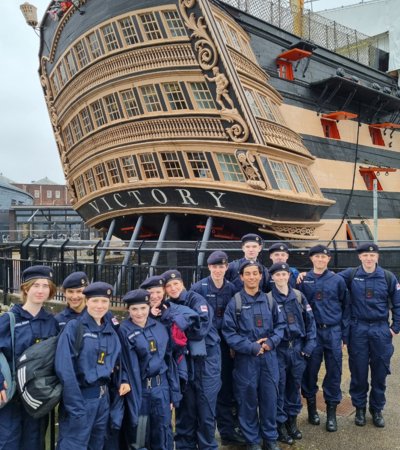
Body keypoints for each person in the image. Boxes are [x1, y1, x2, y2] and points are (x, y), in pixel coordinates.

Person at [55, 281, 127, 450]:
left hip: (103, 400)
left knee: (97, 445)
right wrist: (75, 406)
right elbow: (64, 368)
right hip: (81, 398)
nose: (99, 306)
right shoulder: (75, 327)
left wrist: (122, 379)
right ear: (86, 302)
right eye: (95, 301)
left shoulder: (110, 331)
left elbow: (118, 362)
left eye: (104, 301)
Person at [222, 261, 286, 450]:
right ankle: (252, 440)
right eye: (247, 274)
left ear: (260, 276)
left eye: (255, 273)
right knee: (247, 400)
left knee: (269, 399)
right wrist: (251, 347)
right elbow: (229, 332)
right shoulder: (235, 302)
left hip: (269, 358)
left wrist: (269, 343)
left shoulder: (270, 300)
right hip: (246, 360)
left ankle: (270, 438)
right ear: (241, 277)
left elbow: (281, 326)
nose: (251, 277)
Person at [338, 242, 400, 428]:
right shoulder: (352, 274)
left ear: (377, 257)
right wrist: (300, 275)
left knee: (380, 371)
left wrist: (395, 327)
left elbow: (398, 304)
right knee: (358, 371)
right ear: (360, 257)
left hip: (381, 330)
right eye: (365, 255)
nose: (369, 258)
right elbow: (328, 279)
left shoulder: (388, 277)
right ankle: (359, 409)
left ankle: (377, 409)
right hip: (358, 329)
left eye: (372, 255)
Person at [0, 265, 58, 450]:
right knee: (8, 443)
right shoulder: (9, 319)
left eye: (45, 286)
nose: (40, 290)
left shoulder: (52, 322)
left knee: (34, 444)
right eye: (36, 285)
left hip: (37, 399)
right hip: (12, 399)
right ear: (26, 288)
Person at [161, 269, 221, 450]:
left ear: (182, 284)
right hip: (184, 361)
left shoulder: (196, 300)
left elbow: (200, 328)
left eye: (176, 284)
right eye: (168, 286)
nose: (173, 288)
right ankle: (184, 446)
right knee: (185, 408)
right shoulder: (166, 305)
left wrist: (177, 318)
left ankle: (206, 446)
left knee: (205, 408)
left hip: (206, 361)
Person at [191, 250, 245, 446]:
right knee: (208, 390)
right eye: (215, 267)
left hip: (226, 345)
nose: (218, 270)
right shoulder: (199, 288)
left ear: (226, 267)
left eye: (222, 267)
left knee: (226, 389)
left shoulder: (231, 289)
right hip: (207, 347)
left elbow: (235, 317)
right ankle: (204, 433)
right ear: (209, 267)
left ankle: (227, 432)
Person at [118, 288, 181, 450]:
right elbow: (124, 366)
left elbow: (170, 362)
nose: (139, 313)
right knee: (139, 436)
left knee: (162, 433)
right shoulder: (123, 331)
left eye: (143, 308)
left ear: (149, 307)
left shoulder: (159, 327)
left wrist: (173, 393)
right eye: (134, 309)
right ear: (128, 310)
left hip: (161, 389)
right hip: (140, 393)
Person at [298, 245, 349, 432]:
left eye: (324, 257)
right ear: (312, 259)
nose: (320, 260)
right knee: (310, 371)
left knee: (334, 371)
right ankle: (312, 409)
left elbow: (346, 307)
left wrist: (345, 335)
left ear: (328, 260)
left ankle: (332, 413)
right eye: (317, 257)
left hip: (333, 331)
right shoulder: (303, 280)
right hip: (312, 332)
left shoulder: (337, 280)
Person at [268, 263, 316, 445]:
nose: (281, 278)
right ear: (272, 277)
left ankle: (292, 423)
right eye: (277, 275)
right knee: (278, 388)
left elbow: (310, 323)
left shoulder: (298, 296)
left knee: (294, 387)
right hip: (278, 350)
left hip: (297, 349)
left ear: (289, 276)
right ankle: (280, 426)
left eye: (284, 274)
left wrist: (308, 348)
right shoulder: (268, 299)